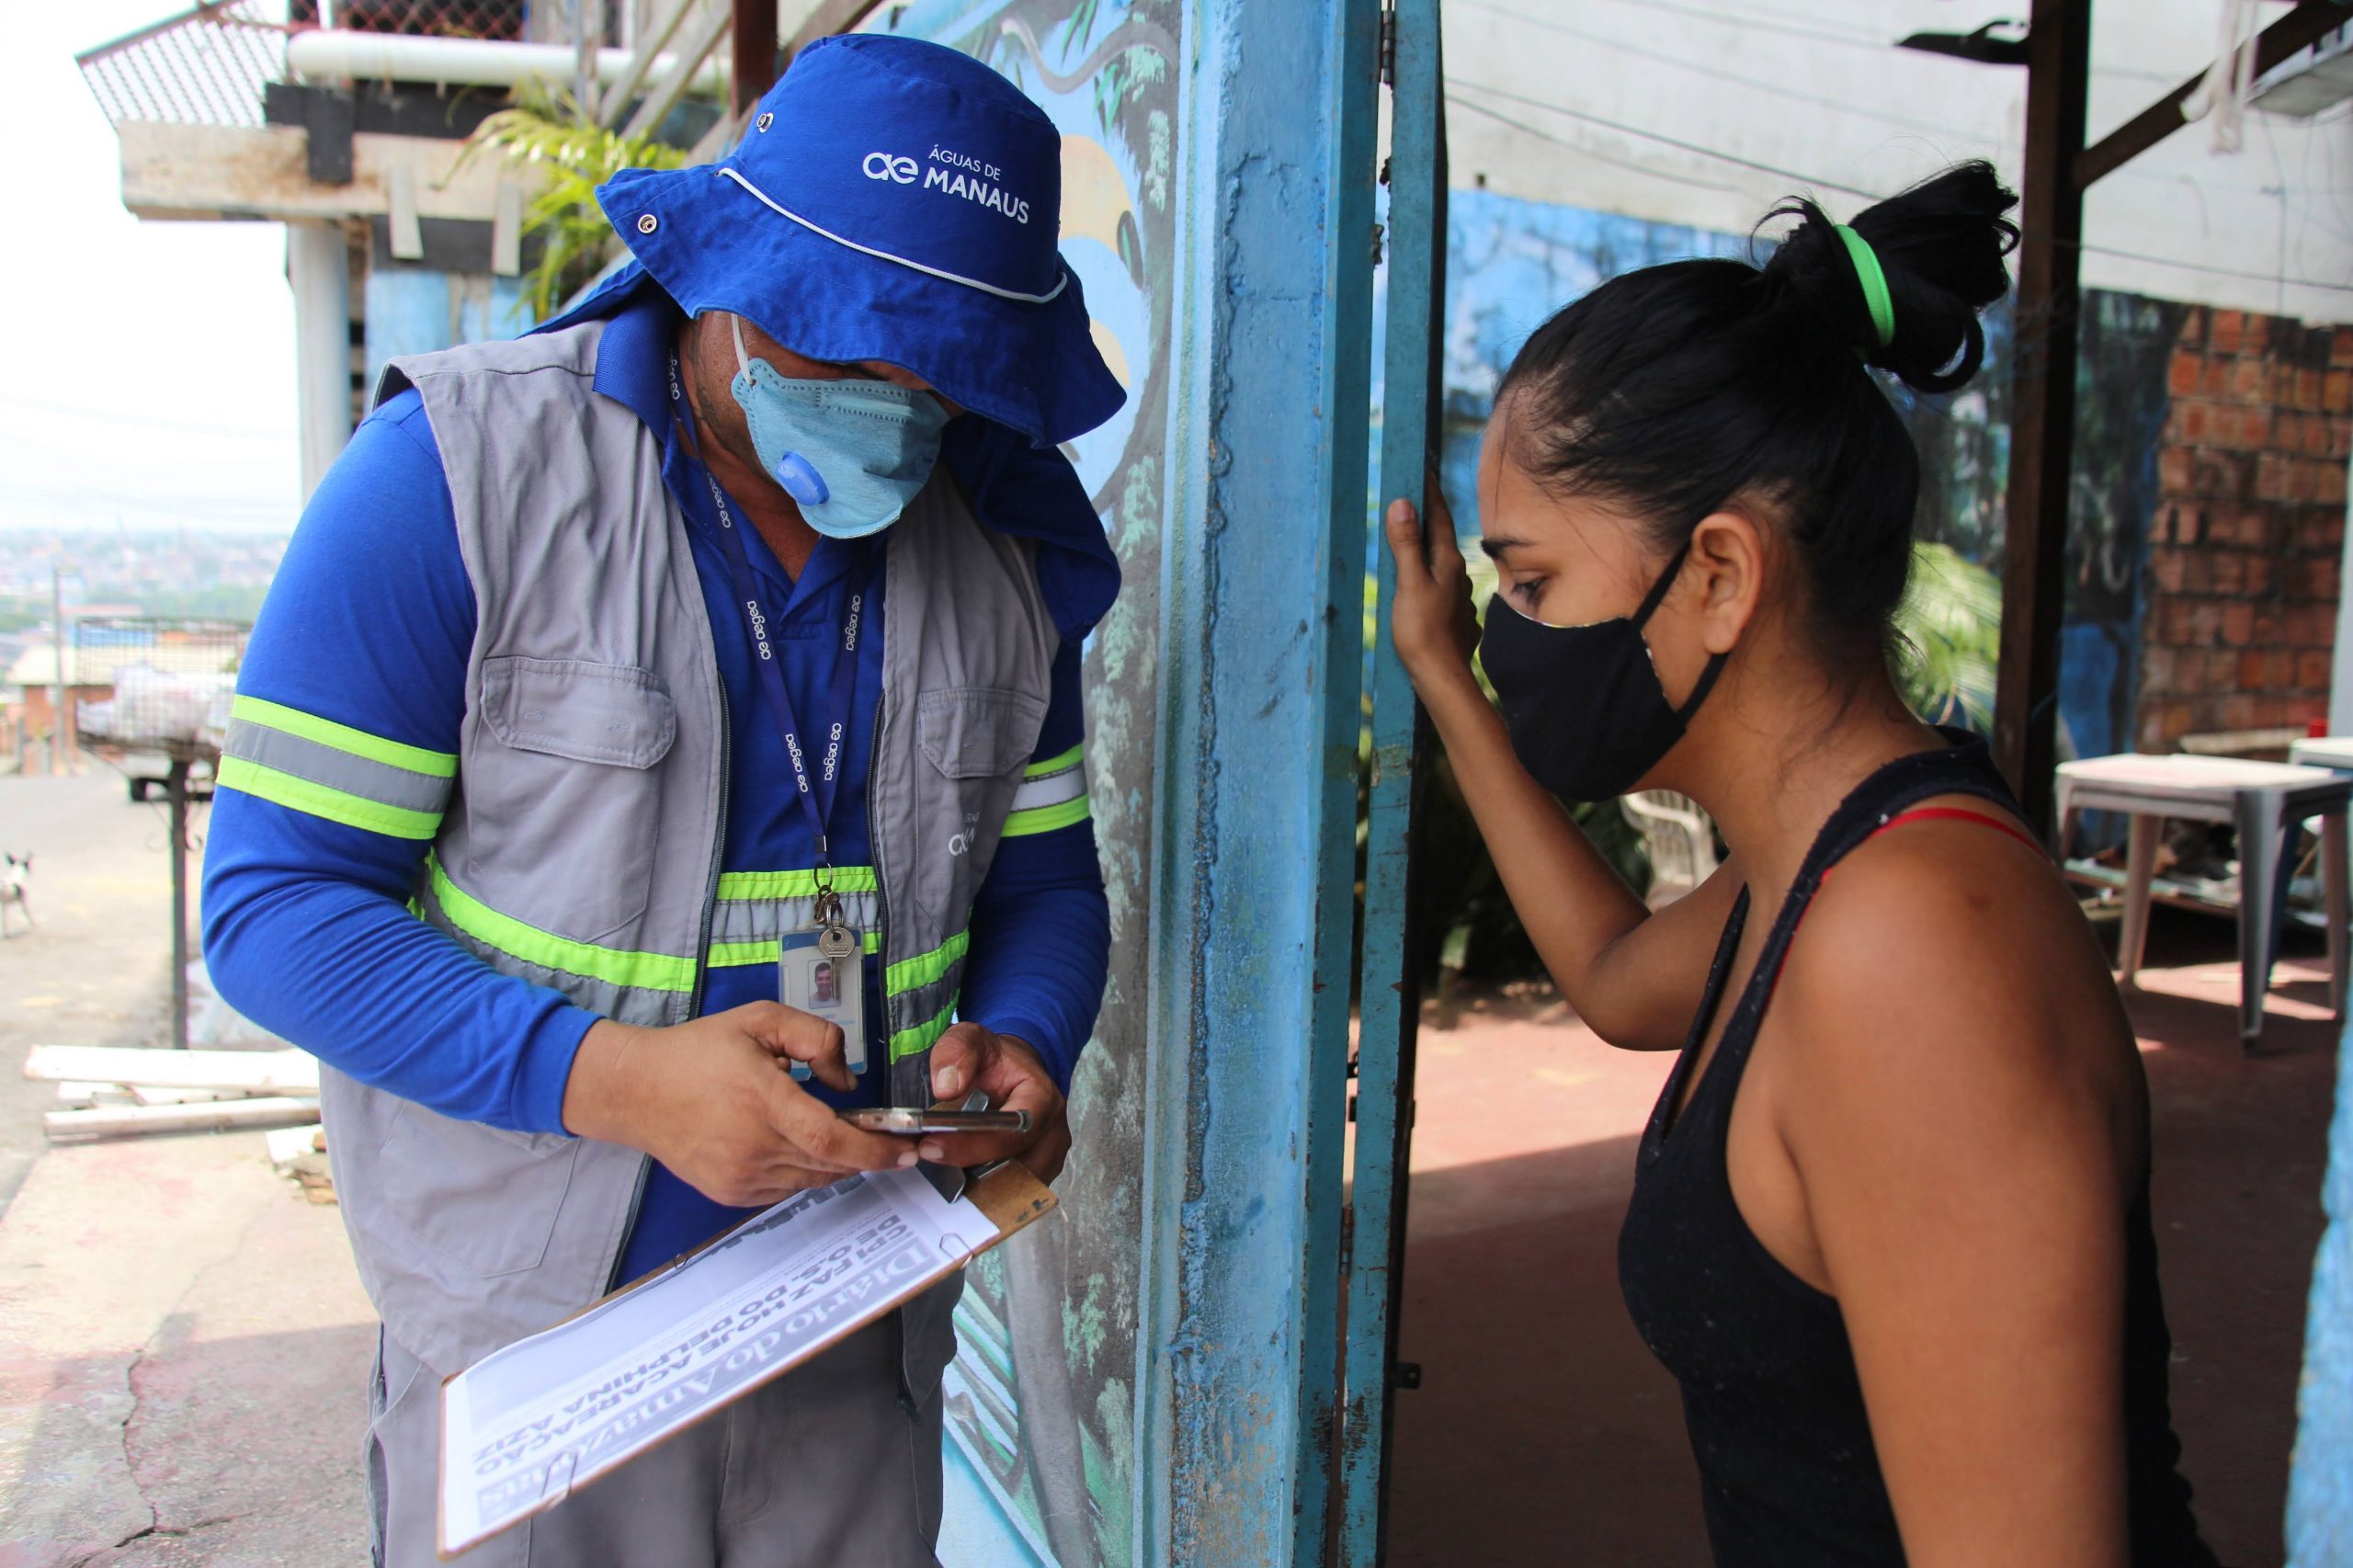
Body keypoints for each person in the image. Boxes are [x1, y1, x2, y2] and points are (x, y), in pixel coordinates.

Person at [201, 35, 1121, 1568]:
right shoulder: (456, 475)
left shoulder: (1005, 542)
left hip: (850, 1332)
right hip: (538, 1349)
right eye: (843, 346)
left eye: (942, 368)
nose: (898, 400)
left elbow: (1046, 884)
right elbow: (273, 907)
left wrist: (1026, 1035)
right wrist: (612, 1077)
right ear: (720, 274)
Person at [1382, 162, 2219, 1566]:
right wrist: (1448, 677)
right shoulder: (1826, 866)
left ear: (1718, 575)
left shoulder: (1914, 950)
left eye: (1532, 584)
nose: (1513, 626)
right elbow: (1610, 974)